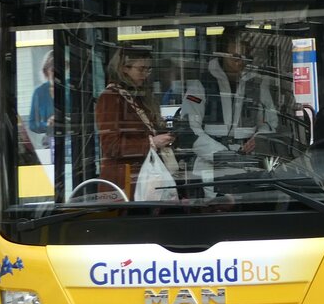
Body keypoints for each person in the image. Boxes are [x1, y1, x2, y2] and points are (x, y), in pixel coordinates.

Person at [182, 30, 276, 193]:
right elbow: (189, 130)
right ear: (222, 54)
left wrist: (259, 140)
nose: (239, 62)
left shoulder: (258, 85)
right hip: (210, 165)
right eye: (235, 56)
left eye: (244, 56)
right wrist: (220, 154)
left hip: (249, 163)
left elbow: (271, 122)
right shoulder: (201, 84)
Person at [95, 46, 174, 198]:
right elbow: (111, 146)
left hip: (141, 179)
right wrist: (151, 143)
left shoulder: (139, 96)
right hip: (123, 184)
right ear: (124, 68)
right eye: (141, 69)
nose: (145, 75)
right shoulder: (110, 97)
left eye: (148, 69)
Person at [28, 51, 56, 163]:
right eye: (53, 70)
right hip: (49, 144)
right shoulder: (39, 93)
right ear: (46, 72)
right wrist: (47, 124)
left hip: (71, 141)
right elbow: (33, 124)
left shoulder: (70, 89)